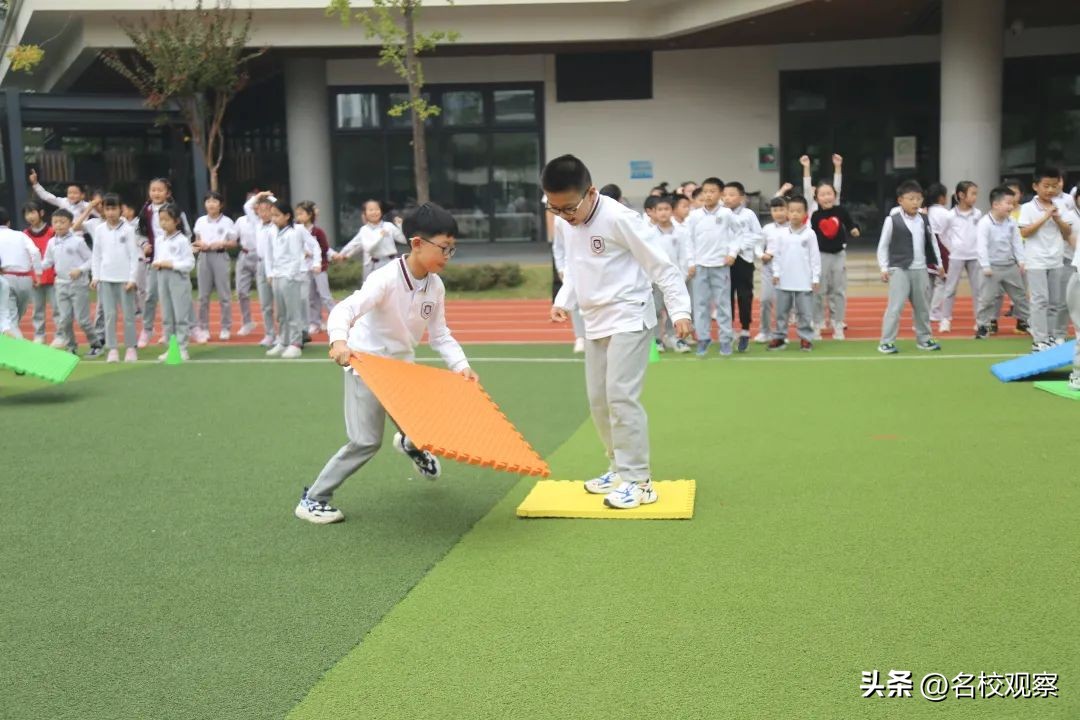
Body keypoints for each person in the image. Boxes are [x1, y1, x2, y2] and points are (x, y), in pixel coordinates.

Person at [295, 203, 478, 524]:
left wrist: (460, 365)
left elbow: (440, 334)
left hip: (402, 371)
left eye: (453, 249)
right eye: (444, 248)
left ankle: (411, 444)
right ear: (417, 244)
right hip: (368, 367)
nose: (448, 255)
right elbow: (344, 310)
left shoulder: (435, 286)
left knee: (424, 425)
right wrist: (339, 340)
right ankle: (313, 499)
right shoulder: (386, 279)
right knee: (366, 441)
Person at [546, 155, 692, 510]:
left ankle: (639, 480)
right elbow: (577, 266)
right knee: (598, 400)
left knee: (620, 397)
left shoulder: (619, 219)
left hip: (629, 315)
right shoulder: (566, 215)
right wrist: (564, 299)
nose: (563, 216)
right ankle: (617, 466)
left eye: (568, 208)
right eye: (554, 209)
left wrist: (680, 311)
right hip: (595, 318)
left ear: (591, 193)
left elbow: (662, 266)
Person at [876, 180, 943, 354]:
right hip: (899, 268)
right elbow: (883, 245)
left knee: (922, 308)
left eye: (919, 199)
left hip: (921, 269)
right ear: (900, 200)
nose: (915, 202)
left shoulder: (924, 219)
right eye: (911, 198)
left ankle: (924, 339)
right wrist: (884, 267)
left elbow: (933, 242)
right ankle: (886, 341)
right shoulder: (892, 220)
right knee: (895, 307)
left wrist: (939, 263)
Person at [1018, 167, 1073, 352]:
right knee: (1040, 300)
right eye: (1046, 186)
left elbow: (1067, 233)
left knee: (1056, 302)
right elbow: (1025, 232)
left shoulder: (1062, 206)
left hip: (1056, 259)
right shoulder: (1027, 208)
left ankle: (1050, 337)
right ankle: (1039, 340)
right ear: (1036, 186)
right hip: (1036, 261)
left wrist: (1057, 218)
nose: (1050, 190)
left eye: (1054, 186)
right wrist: (1045, 217)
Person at [686, 177, 737, 356]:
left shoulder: (726, 214)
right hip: (700, 266)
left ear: (720, 194)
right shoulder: (694, 216)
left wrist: (732, 253)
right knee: (700, 305)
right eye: (705, 191)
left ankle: (725, 340)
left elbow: (738, 235)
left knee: (723, 305)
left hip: (720, 265)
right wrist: (691, 262)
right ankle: (703, 339)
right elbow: (688, 241)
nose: (708, 195)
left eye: (712, 191)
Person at [806, 170, 858, 341]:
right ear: (816, 197)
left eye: (829, 193)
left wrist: (854, 229)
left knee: (838, 290)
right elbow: (811, 235)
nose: (826, 197)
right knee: (818, 291)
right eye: (822, 194)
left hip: (838, 255)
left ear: (835, 195)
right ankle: (818, 323)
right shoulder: (815, 215)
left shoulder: (840, 210)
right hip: (820, 256)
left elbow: (850, 222)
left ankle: (837, 324)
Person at [90, 194, 141, 363]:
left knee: (128, 315)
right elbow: (96, 255)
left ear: (121, 209)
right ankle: (112, 348)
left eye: (114, 208)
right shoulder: (99, 230)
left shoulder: (128, 229)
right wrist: (96, 276)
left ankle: (131, 347)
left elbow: (134, 256)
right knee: (109, 315)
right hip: (106, 279)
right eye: (108, 209)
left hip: (125, 279)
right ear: (103, 210)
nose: (111, 212)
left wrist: (132, 278)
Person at [974, 186, 1029, 340]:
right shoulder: (985, 223)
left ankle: (1029, 323)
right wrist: (985, 265)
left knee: (1020, 297)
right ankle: (983, 327)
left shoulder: (1011, 221)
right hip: (991, 268)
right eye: (1008, 203)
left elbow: (1016, 242)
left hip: (1010, 265)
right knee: (987, 299)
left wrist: (1022, 260)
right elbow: (981, 245)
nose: (1011, 207)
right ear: (996, 204)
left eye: (1012, 204)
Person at [767, 196, 820, 351]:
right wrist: (776, 273)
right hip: (784, 279)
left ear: (805, 213)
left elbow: (815, 257)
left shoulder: (810, 234)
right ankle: (780, 337)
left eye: (799, 211)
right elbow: (777, 255)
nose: (795, 214)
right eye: (792, 211)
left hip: (804, 281)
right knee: (781, 312)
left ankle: (805, 338)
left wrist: (815, 277)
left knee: (805, 313)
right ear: (787, 213)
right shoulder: (781, 234)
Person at [42, 209, 99, 355]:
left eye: (62, 222)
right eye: (55, 222)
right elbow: (48, 261)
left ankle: (95, 344)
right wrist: (36, 266)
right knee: (64, 320)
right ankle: (71, 346)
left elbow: (91, 259)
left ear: (70, 223)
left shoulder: (78, 241)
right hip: (60, 284)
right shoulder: (51, 242)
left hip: (78, 284)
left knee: (82, 320)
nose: (59, 225)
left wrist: (79, 270)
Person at [643, 194, 692, 353]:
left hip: (677, 279)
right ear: (654, 212)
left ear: (672, 211)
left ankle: (675, 338)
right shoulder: (648, 233)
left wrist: (683, 276)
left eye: (666, 209)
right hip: (656, 280)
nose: (663, 213)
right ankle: (657, 338)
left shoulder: (681, 232)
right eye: (660, 210)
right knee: (656, 310)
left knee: (675, 311)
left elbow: (684, 256)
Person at [937, 182, 983, 334]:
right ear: (961, 195)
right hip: (956, 256)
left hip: (974, 256)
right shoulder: (950, 215)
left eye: (976, 193)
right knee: (950, 289)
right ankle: (945, 319)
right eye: (973, 193)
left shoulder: (978, 213)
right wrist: (952, 248)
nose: (975, 197)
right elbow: (942, 235)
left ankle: (979, 320)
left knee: (978, 289)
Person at [152, 203, 195, 361]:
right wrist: (157, 263)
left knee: (180, 314)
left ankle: (182, 347)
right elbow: (157, 257)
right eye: (161, 220)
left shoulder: (182, 240)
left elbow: (190, 263)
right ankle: (171, 347)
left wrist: (171, 264)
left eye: (167, 220)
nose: (163, 223)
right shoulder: (159, 240)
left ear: (176, 221)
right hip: (162, 276)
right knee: (166, 315)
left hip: (177, 277)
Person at [723, 181, 763, 352]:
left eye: (732, 194)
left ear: (741, 197)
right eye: (724, 195)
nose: (727, 198)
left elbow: (758, 235)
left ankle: (745, 330)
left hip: (744, 259)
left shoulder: (748, 215)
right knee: (726, 297)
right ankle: (729, 332)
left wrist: (738, 247)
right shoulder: (721, 214)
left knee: (744, 296)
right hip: (724, 261)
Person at [264, 199, 307, 359]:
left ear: (287, 216)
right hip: (277, 275)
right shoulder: (271, 232)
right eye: (272, 215)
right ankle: (283, 341)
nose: (274, 218)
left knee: (292, 312)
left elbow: (296, 257)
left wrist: (289, 275)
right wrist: (270, 274)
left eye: (277, 215)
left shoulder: (293, 233)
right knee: (281, 313)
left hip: (290, 277)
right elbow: (268, 255)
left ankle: (295, 343)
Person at [193, 191, 238, 342]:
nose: (211, 204)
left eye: (214, 201)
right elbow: (197, 240)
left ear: (221, 204)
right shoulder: (200, 221)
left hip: (220, 256)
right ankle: (203, 328)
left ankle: (225, 327)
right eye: (208, 201)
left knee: (224, 295)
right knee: (203, 296)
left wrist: (222, 243)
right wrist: (201, 244)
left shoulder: (227, 222)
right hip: (204, 256)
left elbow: (233, 242)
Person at [335, 199, 407, 281]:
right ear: (365, 213)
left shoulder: (388, 226)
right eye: (371, 210)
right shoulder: (365, 230)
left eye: (377, 209)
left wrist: (400, 226)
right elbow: (362, 246)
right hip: (375, 265)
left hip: (392, 262)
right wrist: (342, 254)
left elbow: (404, 240)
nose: (374, 212)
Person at [0, 206, 43, 339]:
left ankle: (20, 350)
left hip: (5, 277)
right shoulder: (21, 235)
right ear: (8, 222)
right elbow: (35, 252)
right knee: (15, 318)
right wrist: (38, 274)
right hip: (25, 279)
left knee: (9, 319)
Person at [243, 191, 279, 347]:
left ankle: (281, 334)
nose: (264, 213)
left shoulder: (277, 225)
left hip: (276, 265)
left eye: (267, 210)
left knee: (279, 303)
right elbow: (247, 206)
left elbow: (279, 204)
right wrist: (261, 195)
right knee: (265, 304)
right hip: (260, 264)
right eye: (261, 210)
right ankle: (269, 334)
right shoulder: (256, 223)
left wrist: (270, 197)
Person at [296, 201, 335, 335]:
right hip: (305, 268)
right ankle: (315, 322)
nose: (299, 216)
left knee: (325, 296)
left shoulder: (318, 231)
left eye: (302, 213)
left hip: (319, 268)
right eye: (298, 214)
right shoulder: (297, 230)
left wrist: (311, 254)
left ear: (309, 215)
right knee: (311, 297)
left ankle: (337, 320)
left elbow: (324, 248)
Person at [551, 210, 586, 353]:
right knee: (576, 302)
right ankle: (580, 337)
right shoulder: (560, 220)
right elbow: (559, 246)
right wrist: (560, 267)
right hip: (572, 269)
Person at [755, 197, 788, 344]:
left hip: (787, 268)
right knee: (765, 300)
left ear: (787, 210)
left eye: (782, 209)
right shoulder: (767, 228)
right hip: (769, 267)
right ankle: (764, 331)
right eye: (775, 210)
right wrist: (762, 255)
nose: (779, 213)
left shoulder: (793, 228)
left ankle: (781, 333)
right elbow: (757, 246)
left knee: (784, 303)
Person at [23, 201, 55, 344]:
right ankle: (39, 335)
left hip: (53, 277)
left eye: (33, 212)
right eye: (27, 213)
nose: (30, 216)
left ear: (41, 213)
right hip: (35, 279)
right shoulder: (24, 235)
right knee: (37, 310)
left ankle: (61, 335)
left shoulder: (52, 232)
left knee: (57, 309)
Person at [922, 183, 951, 326]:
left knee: (930, 283)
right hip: (940, 247)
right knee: (942, 282)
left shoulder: (925, 211)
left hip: (927, 247)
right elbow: (948, 235)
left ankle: (928, 310)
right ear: (941, 197)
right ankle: (934, 311)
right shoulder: (945, 213)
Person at [233, 191, 260, 337]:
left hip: (260, 256)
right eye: (251, 202)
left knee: (265, 292)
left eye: (256, 202)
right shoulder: (241, 221)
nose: (254, 205)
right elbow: (233, 237)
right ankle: (247, 321)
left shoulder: (263, 220)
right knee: (241, 292)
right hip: (244, 254)